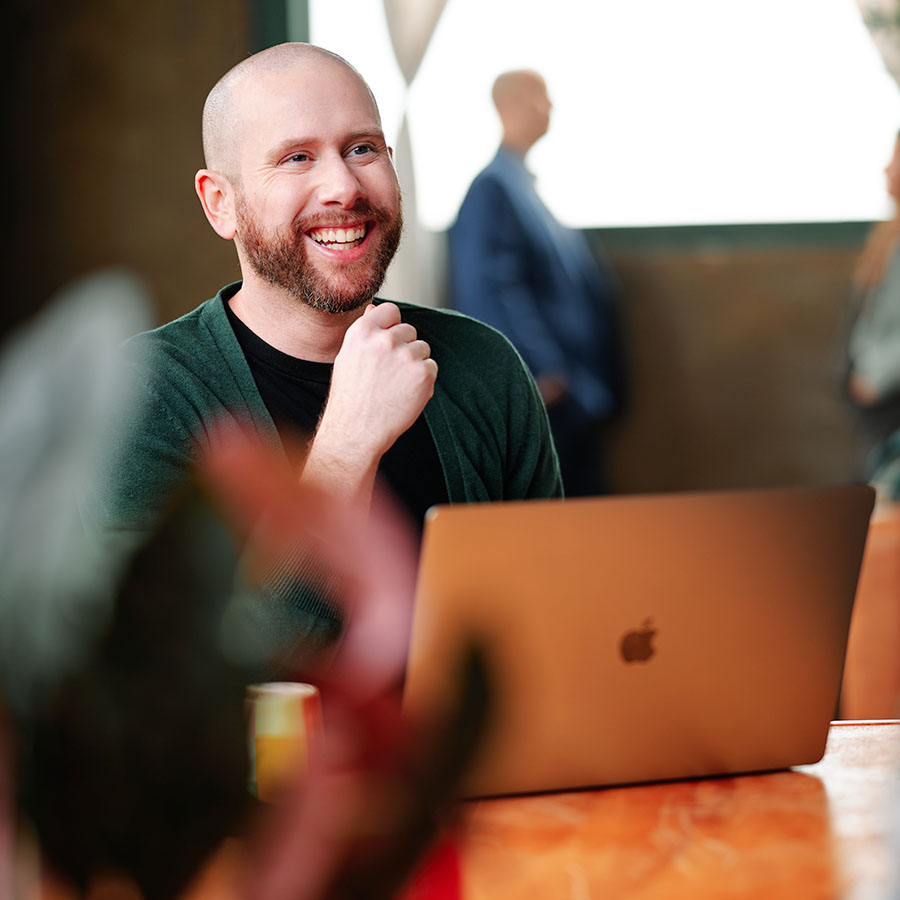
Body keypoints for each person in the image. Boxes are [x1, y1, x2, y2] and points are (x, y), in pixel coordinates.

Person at [89, 44, 561, 605]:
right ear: (221, 204)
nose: (344, 187)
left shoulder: (485, 364)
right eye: (297, 158)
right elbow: (177, 660)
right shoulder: (137, 396)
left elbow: (552, 612)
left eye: (362, 149)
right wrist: (345, 447)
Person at [448, 70, 626, 496]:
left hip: (578, 390)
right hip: (547, 393)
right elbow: (491, 288)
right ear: (510, 103)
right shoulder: (493, 188)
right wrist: (540, 370)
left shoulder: (526, 186)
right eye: (540, 96)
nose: (549, 107)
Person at [847, 129, 900, 500]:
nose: (886, 169)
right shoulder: (888, 237)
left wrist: (875, 376)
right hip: (878, 423)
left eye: (896, 159)